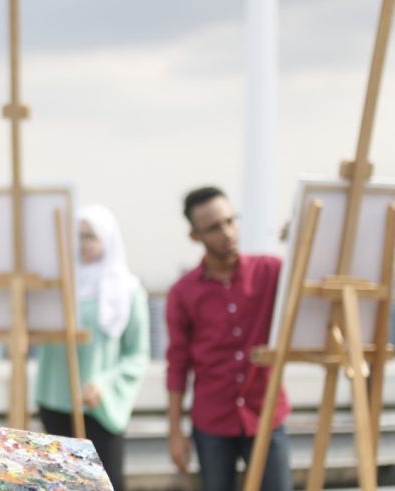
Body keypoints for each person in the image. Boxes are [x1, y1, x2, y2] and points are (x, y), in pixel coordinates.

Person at [165, 186, 292, 491]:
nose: (227, 232)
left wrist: (301, 238)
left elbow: (309, 282)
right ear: (195, 236)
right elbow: (177, 364)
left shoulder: (271, 271)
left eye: (230, 221)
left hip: (266, 415)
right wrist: (175, 432)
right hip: (212, 420)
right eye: (213, 228)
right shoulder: (183, 292)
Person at [35, 204, 150, 491]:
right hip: (55, 400)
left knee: (104, 484)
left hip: (101, 405)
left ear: (107, 239)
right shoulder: (58, 285)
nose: (82, 243)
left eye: (90, 236)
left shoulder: (128, 290)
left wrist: (104, 383)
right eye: (77, 235)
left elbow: (137, 353)